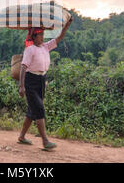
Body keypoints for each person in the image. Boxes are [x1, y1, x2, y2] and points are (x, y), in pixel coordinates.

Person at [17, 16, 73, 150]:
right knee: (39, 109)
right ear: (34, 37)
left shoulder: (45, 47)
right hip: (30, 81)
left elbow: (59, 38)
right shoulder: (30, 49)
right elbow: (23, 67)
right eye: (40, 35)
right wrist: (21, 86)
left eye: (43, 34)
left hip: (41, 81)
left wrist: (67, 26)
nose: (42, 37)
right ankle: (45, 141)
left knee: (32, 111)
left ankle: (22, 136)